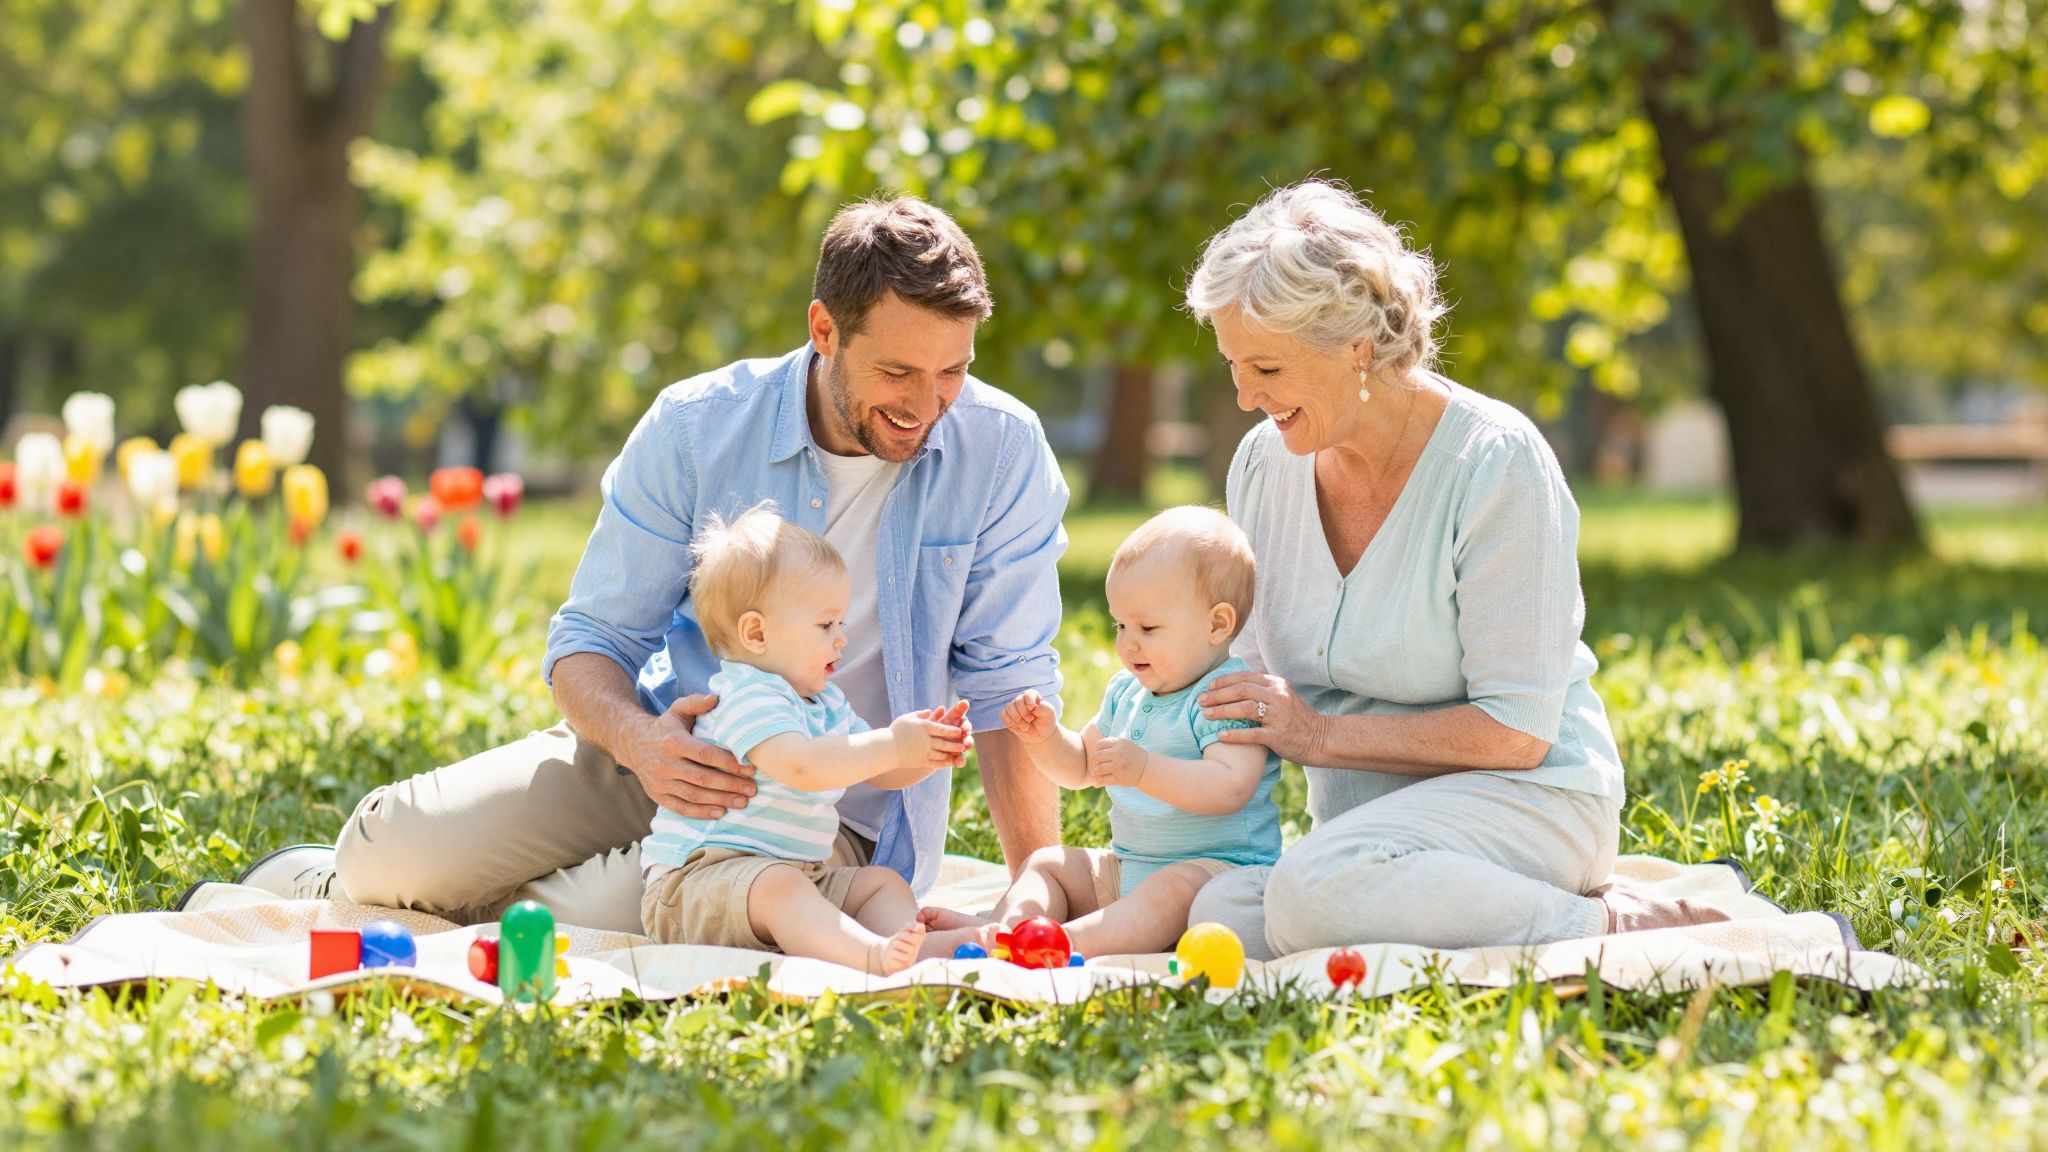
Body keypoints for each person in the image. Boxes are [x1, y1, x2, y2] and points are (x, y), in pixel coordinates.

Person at [236, 198, 1068, 934]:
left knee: (581, 922)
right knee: (389, 851)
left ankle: (472, 900)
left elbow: (1009, 691)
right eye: (898, 372)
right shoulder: (697, 427)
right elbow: (590, 641)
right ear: (824, 331)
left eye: (953, 371)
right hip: (661, 748)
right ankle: (362, 880)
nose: (927, 407)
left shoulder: (1002, 451)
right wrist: (643, 744)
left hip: (825, 818)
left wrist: (1038, 885)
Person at [1180, 180, 1728, 960]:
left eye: (1265, 367)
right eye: (1235, 366)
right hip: (1367, 833)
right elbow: (1255, 694)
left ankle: (1623, 928)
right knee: (1221, 908)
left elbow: (1517, 732)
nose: (1242, 396)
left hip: (1528, 797)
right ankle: (1421, 903)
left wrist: (1321, 735)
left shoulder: (1496, 463)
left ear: (1355, 345)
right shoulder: (1265, 466)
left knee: (1308, 896)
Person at [918, 506, 1281, 960]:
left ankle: (1061, 943)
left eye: (1148, 628)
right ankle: (1004, 931)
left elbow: (1230, 788)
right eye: (1120, 625)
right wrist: (1045, 739)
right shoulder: (1128, 691)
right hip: (1128, 870)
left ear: (1217, 624)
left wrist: (1145, 769)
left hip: (1216, 874)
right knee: (1048, 863)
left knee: (1171, 890)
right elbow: (1081, 767)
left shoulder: (1228, 695)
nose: (1128, 643)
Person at [641, 508, 973, 973]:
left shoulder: (825, 703)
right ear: (756, 633)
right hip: (697, 883)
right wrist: (894, 743)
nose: (841, 640)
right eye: (825, 625)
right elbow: (800, 765)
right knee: (781, 887)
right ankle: (870, 957)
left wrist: (928, 752)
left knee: (879, 882)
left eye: (841, 624)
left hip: (797, 875)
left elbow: (882, 772)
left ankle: (910, 947)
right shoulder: (744, 693)